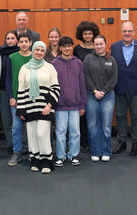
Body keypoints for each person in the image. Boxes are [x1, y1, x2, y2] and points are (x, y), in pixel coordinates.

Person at [16, 41, 59, 174]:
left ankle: (46, 160)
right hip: (29, 107)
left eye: (41, 50)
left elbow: (56, 87)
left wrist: (50, 105)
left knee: (42, 134)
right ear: (33, 51)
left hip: (44, 107)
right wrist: (22, 109)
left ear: (44, 52)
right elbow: (21, 89)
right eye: (37, 50)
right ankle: (35, 159)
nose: (39, 52)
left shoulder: (50, 67)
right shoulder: (24, 68)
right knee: (32, 135)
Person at [111, 21, 137, 157]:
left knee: (135, 116)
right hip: (119, 87)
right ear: (121, 32)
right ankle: (121, 142)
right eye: (124, 31)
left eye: (129, 31)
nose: (127, 33)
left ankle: (135, 143)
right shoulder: (114, 47)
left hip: (136, 88)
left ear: (134, 32)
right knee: (120, 115)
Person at [52, 36, 87, 167]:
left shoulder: (78, 63)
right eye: (64, 46)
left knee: (75, 132)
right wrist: (54, 104)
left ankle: (73, 155)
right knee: (60, 131)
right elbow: (52, 86)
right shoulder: (54, 64)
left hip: (75, 105)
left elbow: (82, 85)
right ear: (60, 48)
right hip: (60, 105)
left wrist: (82, 104)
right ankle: (60, 156)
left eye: (69, 46)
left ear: (71, 47)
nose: (67, 49)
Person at [83, 35, 118, 162]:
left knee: (106, 125)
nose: (98, 46)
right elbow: (86, 76)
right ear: (93, 45)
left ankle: (105, 151)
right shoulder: (88, 59)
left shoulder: (111, 59)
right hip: (91, 95)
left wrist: (103, 91)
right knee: (93, 125)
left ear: (105, 44)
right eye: (96, 44)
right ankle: (95, 151)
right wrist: (94, 90)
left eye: (101, 44)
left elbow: (114, 79)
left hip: (107, 96)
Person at [73, 20, 100, 153]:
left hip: (95, 86)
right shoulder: (77, 49)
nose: (88, 36)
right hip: (81, 85)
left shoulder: (98, 47)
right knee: (82, 115)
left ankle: (92, 141)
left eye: (90, 34)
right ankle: (83, 141)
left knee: (93, 116)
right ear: (81, 35)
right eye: (85, 34)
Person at [6, 33, 32, 166]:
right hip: (16, 98)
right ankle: (17, 152)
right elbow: (8, 79)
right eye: (21, 41)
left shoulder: (35, 57)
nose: (23, 44)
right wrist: (11, 96)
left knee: (32, 126)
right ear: (18, 43)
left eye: (26, 41)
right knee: (16, 127)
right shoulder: (12, 57)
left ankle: (33, 152)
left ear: (30, 43)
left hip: (33, 99)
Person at [0, 31, 19, 153]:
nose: (10, 40)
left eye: (12, 38)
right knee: (6, 119)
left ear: (17, 40)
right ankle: (10, 143)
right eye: (8, 38)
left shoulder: (20, 52)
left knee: (17, 119)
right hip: (3, 89)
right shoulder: (1, 53)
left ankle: (20, 144)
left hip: (16, 89)